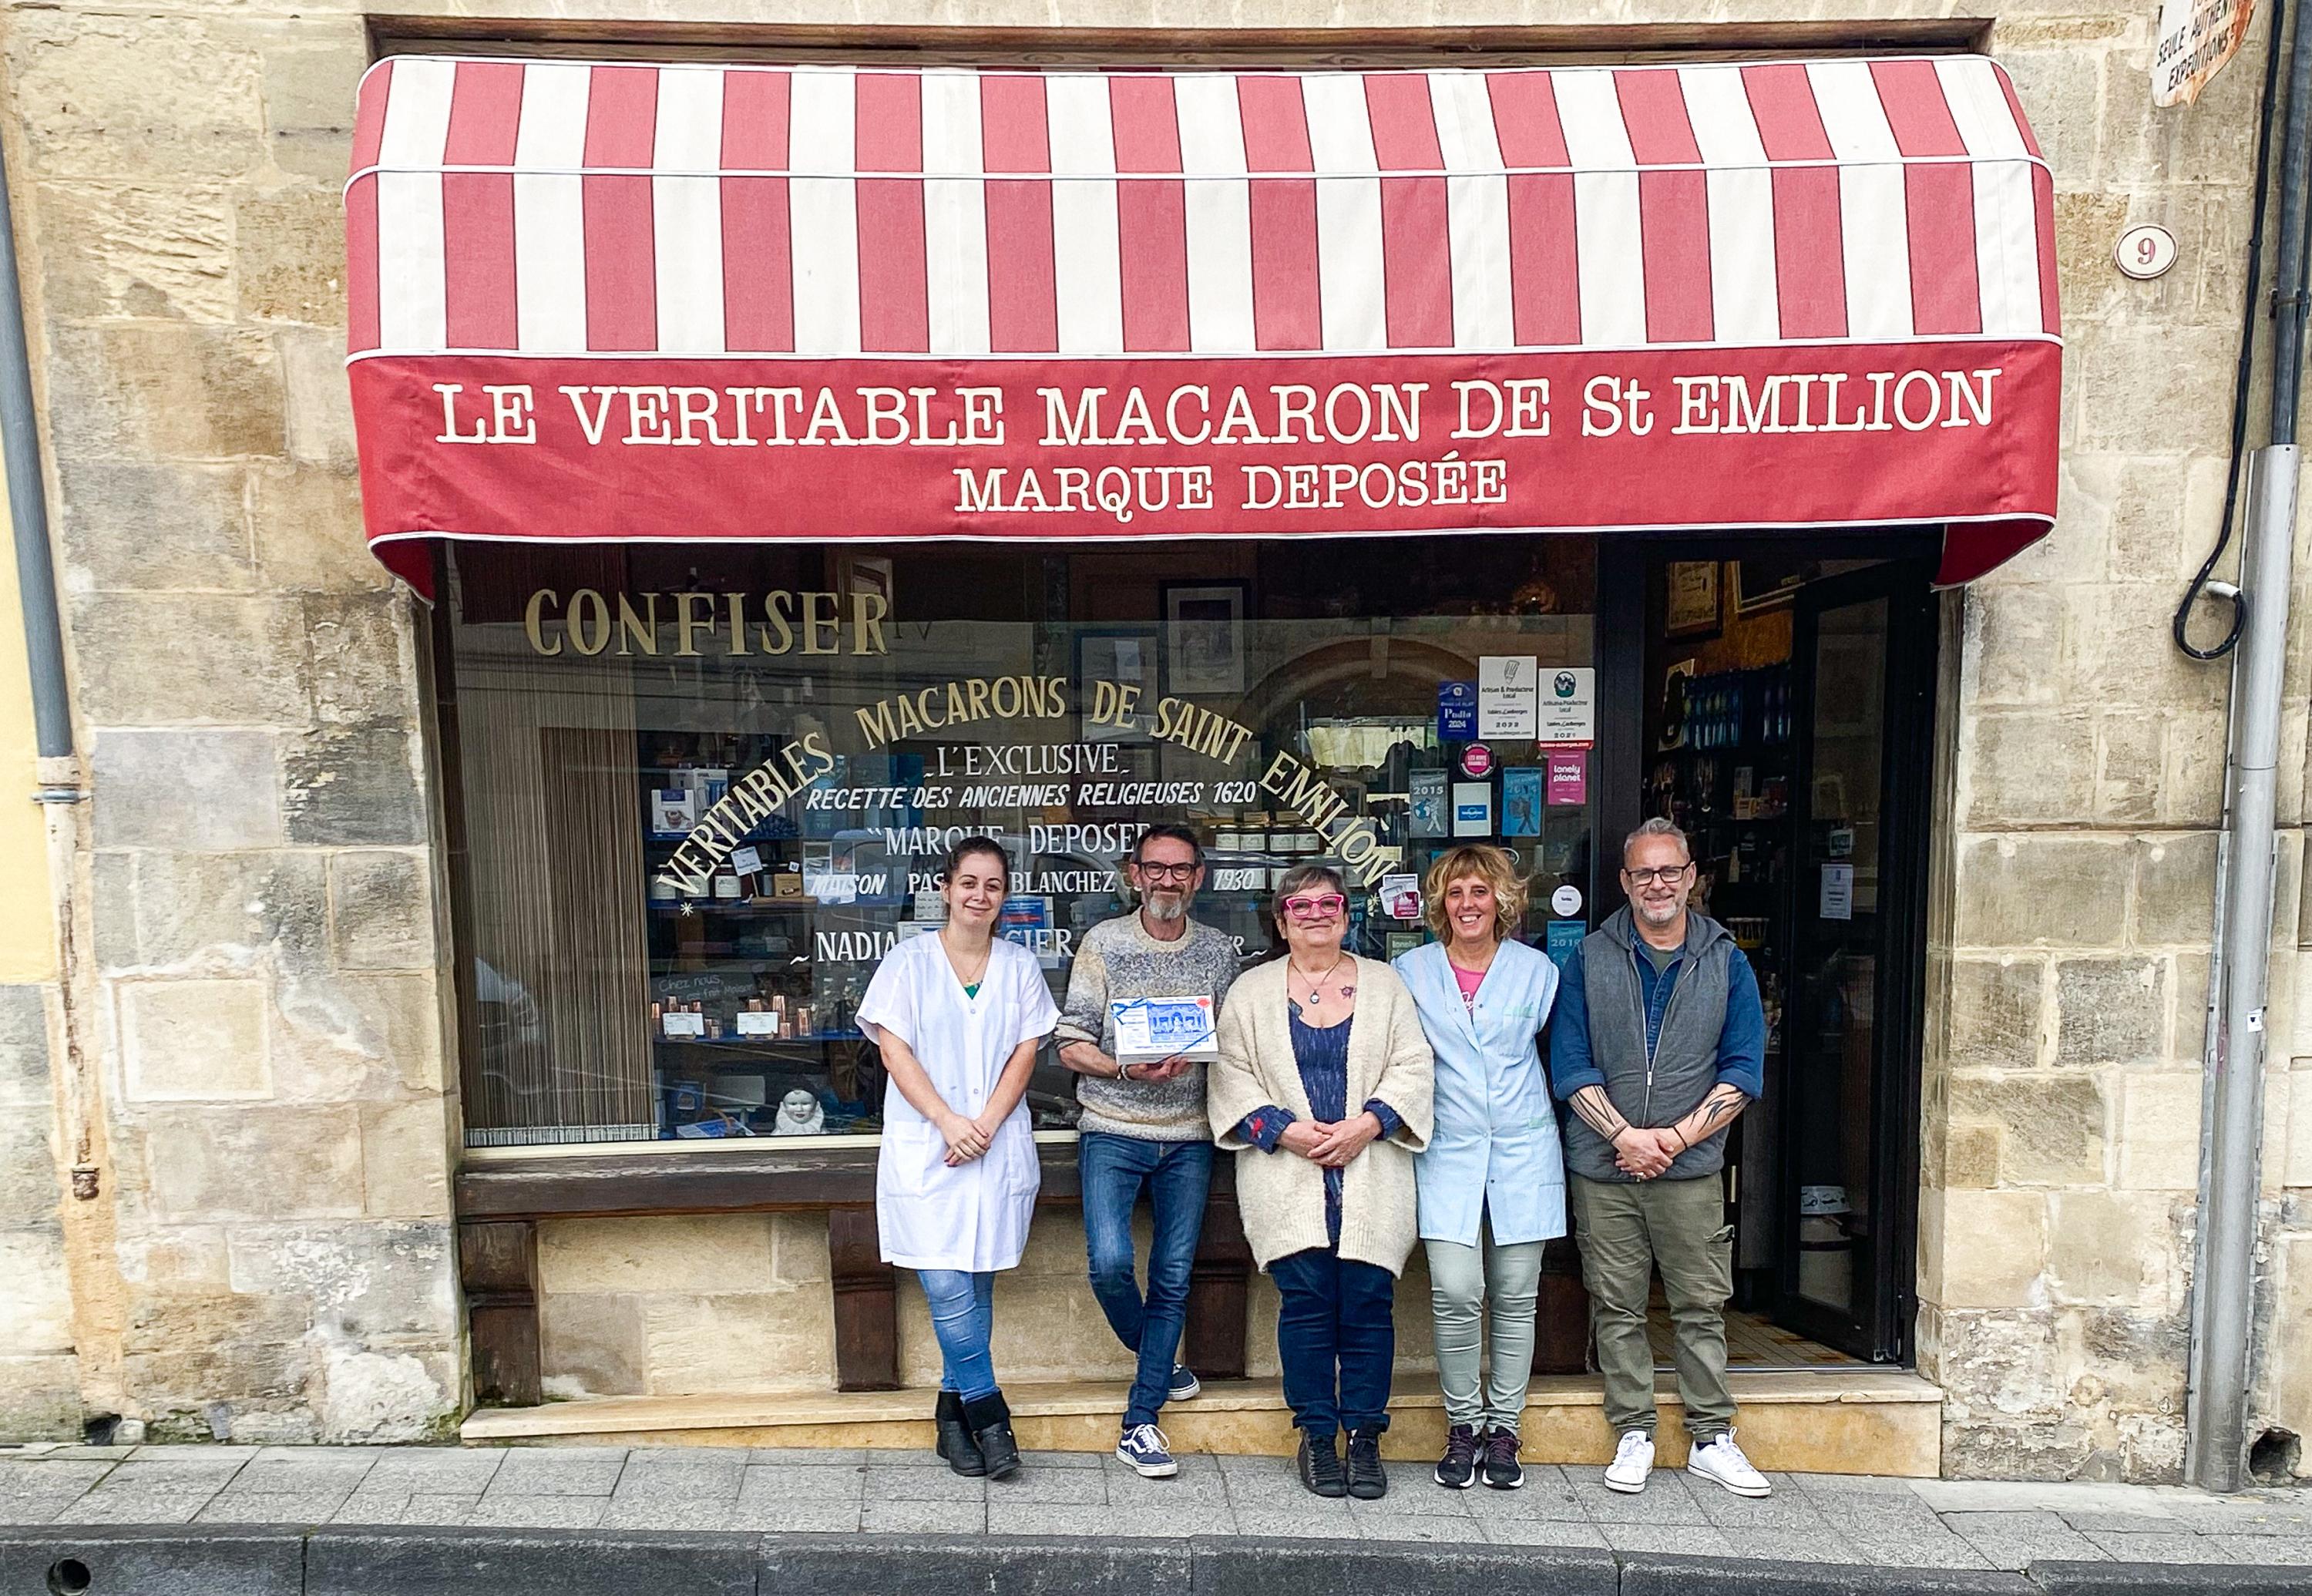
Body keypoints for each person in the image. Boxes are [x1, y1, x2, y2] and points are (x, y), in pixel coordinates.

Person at [1549, 817, 1770, 1498]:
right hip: (1605, 1166)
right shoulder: (1588, 956)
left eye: (1669, 870)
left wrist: (1671, 1141)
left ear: (1691, 876)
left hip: (1691, 1169)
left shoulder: (1726, 958)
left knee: (1700, 1305)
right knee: (1616, 1305)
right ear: (1624, 881)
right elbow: (1570, 1062)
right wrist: (1624, 1136)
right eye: (1643, 872)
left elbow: (1743, 1069)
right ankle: (1634, 1431)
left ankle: (1712, 1437)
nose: (1657, 883)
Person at [1207, 864, 1433, 1501]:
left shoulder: (1386, 985)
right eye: (1299, 906)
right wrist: (1286, 1130)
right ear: (1281, 920)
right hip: (1287, 1174)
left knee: (1367, 1307)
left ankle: (1364, 1436)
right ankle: (1315, 1435)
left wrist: (1369, 1123)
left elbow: (1414, 1066)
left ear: (1346, 912)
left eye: (1327, 903)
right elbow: (1231, 1075)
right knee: (1306, 1309)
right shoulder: (1251, 992)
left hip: (1373, 1172)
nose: (1315, 915)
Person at [855, 836, 1057, 1482]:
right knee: (946, 1286)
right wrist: (949, 1121)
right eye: (968, 882)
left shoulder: (1020, 965)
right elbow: (895, 1052)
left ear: (1005, 896)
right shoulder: (908, 963)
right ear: (945, 887)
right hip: (928, 1147)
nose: (979, 895)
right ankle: (990, 1415)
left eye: (993, 885)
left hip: (995, 1147)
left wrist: (986, 1125)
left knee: (977, 1283)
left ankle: (952, 1421)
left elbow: (1025, 1053)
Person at [1057, 823, 1242, 1480]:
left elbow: (1237, 1041)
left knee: (1171, 1278)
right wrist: (1124, 1070)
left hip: (1190, 1137)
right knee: (1109, 1263)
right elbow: (1071, 1041)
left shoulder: (1219, 950)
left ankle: (1141, 1422)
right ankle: (1160, 1360)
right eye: (1155, 868)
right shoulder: (1104, 943)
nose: (1168, 880)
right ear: (1132, 873)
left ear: (1199, 877)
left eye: (1181, 869)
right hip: (1112, 1127)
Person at [1391, 845, 1565, 1491]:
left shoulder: (1539, 972)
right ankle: (1463, 1425)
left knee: (1517, 1295)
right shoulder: (1409, 971)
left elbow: (1557, 1054)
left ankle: (1505, 1429)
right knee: (1458, 1290)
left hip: (1524, 1149)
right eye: (1456, 892)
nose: (1468, 903)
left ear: (1503, 901)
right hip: (1448, 1150)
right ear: (1440, 903)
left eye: (1480, 891)